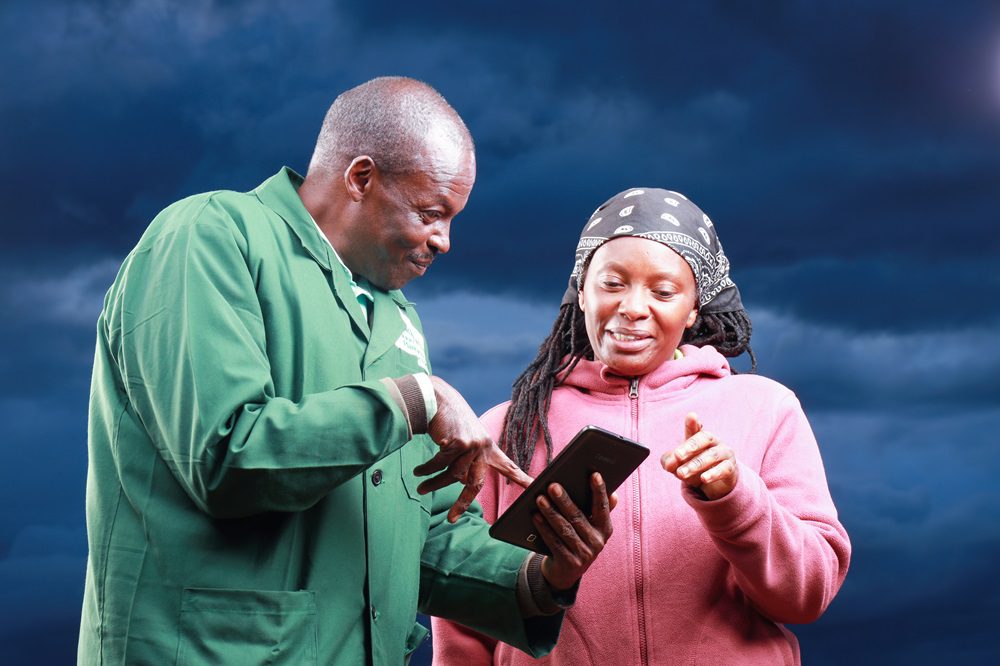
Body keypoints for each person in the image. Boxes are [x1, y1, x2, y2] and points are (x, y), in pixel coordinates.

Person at [77, 77, 615, 665]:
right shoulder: (209, 236)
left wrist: (541, 575)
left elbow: (421, 532)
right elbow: (226, 458)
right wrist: (414, 400)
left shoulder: (396, 320)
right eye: (433, 213)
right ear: (360, 178)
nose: (445, 241)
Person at [432, 188, 851, 664]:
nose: (633, 307)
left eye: (664, 291)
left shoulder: (765, 409)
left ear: (694, 307)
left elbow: (806, 596)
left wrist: (736, 499)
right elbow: (463, 611)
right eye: (612, 283)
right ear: (581, 294)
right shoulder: (508, 429)